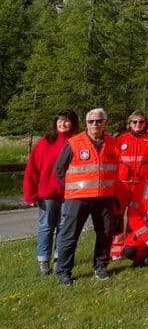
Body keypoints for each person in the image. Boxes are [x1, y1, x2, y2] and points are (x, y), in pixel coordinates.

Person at [54, 108, 118, 285]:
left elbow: (117, 168)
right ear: (86, 123)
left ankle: (100, 266)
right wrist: (72, 188)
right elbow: (59, 170)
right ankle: (63, 272)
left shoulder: (113, 143)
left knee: (105, 233)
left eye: (99, 121)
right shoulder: (74, 142)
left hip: (104, 197)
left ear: (105, 122)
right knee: (69, 235)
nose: (95, 124)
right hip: (77, 198)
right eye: (91, 121)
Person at [23, 109, 78, 276]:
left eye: (66, 120)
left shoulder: (77, 142)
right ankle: (43, 260)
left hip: (70, 194)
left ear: (73, 123)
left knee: (64, 227)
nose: (62, 123)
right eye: (60, 120)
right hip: (47, 193)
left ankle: (59, 258)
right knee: (46, 226)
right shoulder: (45, 142)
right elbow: (32, 169)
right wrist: (30, 194)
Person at [110, 111, 148, 260]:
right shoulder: (120, 139)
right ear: (129, 123)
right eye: (134, 122)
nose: (137, 125)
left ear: (145, 123)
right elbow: (113, 162)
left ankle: (133, 243)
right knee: (117, 215)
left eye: (141, 122)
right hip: (122, 185)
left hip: (142, 185)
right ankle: (116, 248)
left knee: (137, 216)